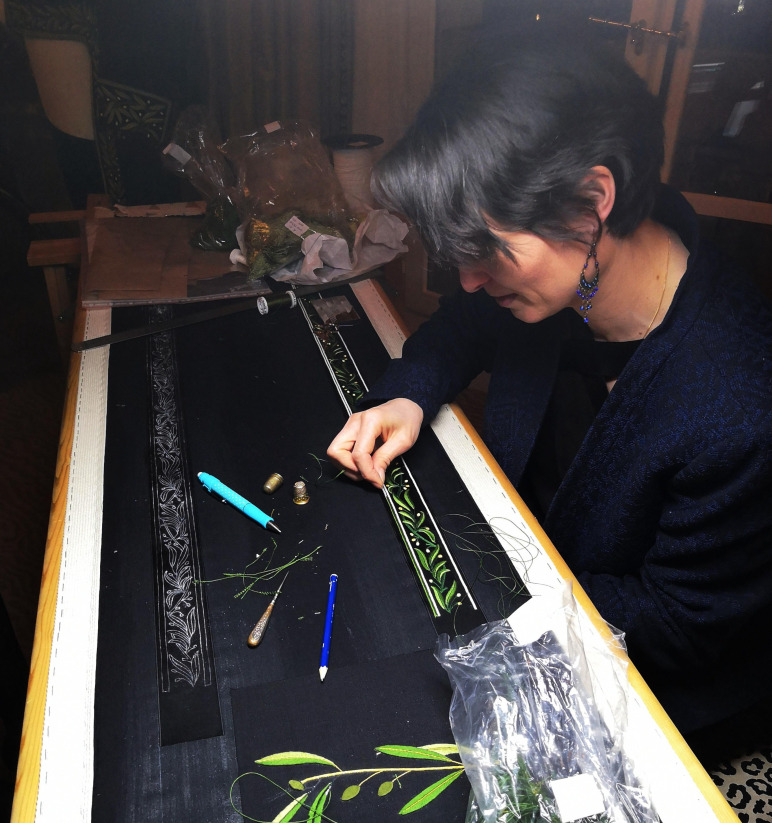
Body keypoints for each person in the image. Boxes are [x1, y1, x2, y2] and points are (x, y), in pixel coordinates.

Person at [327, 27, 772, 763]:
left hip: (653, 695)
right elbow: (463, 325)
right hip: (530, 580)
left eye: (485, 250)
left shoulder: (739, 406)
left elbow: (677, 629)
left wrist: (491, 567)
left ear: (593, 199)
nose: (470, 279)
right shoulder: (579, 274)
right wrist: (407, 396)